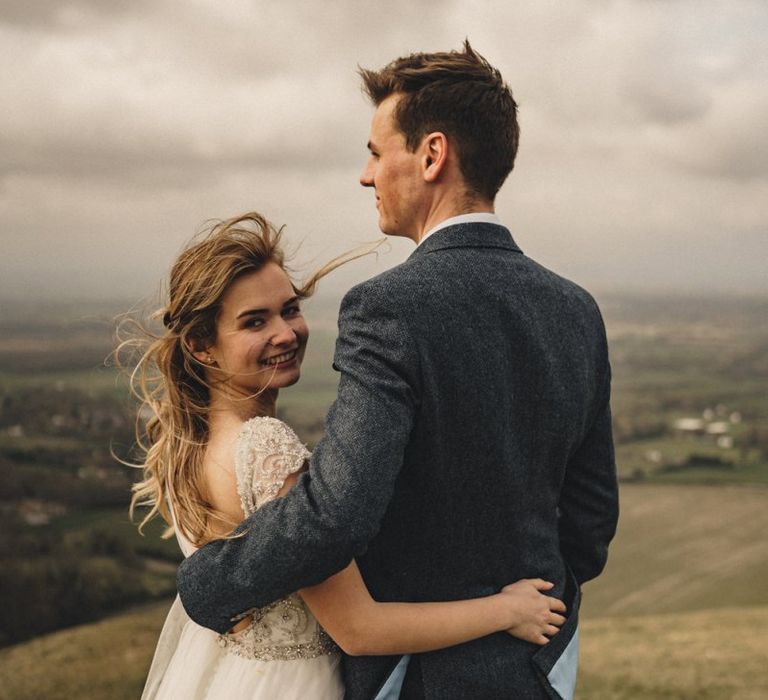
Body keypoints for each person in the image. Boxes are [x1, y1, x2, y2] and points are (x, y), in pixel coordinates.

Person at [177, 42, 619, 699]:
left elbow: (336, 517)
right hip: (538, 672)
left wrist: (209, 582)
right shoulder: (577, 310)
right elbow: (590, 523)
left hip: (415, 680)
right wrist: (533, 633)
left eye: (377, 153)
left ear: (432, 155)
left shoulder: (387, 309)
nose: (366, 174)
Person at [129, 213, 568, 699]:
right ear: (201, 346)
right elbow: (360, 630)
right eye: (255, 321)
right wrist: (508, 610)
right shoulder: (264, 447)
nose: (285, 333)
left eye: (289, 309)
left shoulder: (183, 444)